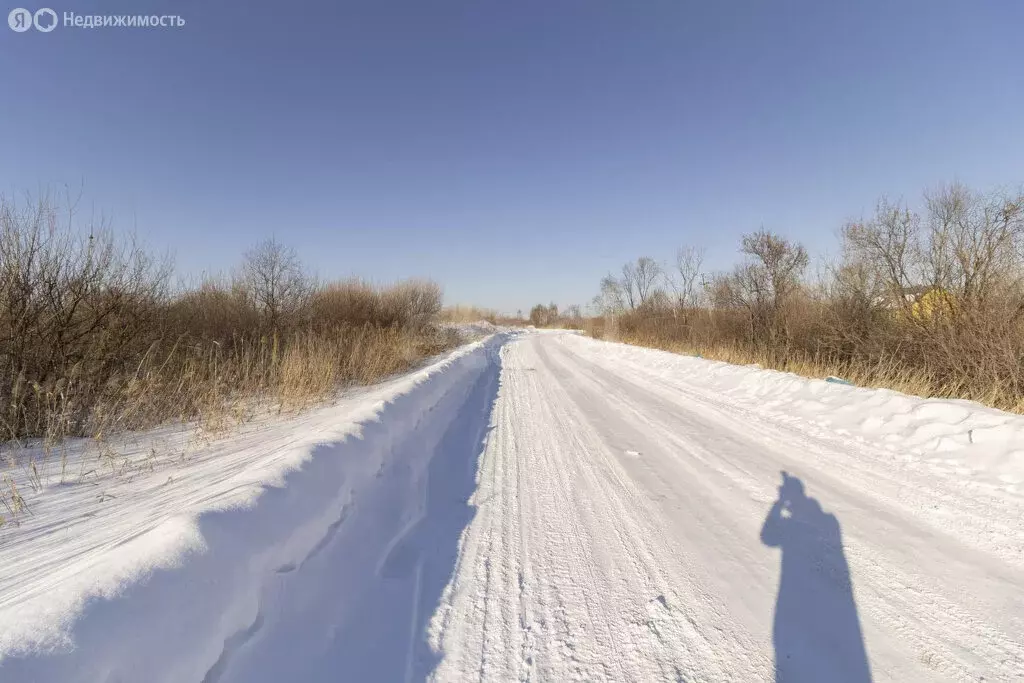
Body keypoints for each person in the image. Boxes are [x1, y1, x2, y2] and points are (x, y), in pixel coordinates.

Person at [760, 471, 872, 683]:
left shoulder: (798, 524)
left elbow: (767, 538)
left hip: (796, 595)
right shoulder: (828, 521)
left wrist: (778, 504)